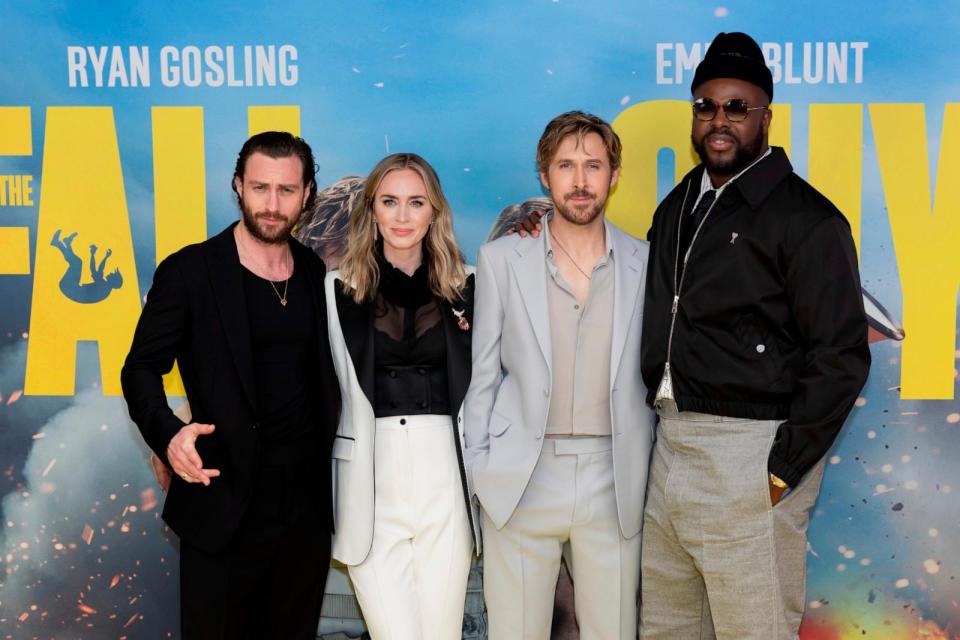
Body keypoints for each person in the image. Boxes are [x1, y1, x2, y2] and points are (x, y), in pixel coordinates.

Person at [639, 32, 871, 639]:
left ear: (766, 115)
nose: (720, 120)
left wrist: (781, 470)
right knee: (665, 629)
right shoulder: (678, 206)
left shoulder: (807, 219)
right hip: (670, 449)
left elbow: (841, 355)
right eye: (706, 106)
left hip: (751, 454)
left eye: (737, 107)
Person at [121, 131, 340, 639]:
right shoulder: (190, 271)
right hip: (222, 498)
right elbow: (139, 368)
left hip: (305, 507)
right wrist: (168, 435)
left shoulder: (312, 270)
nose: (272, 203)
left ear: (307, 194)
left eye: (286, 190)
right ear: (237, 186)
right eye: (260, 188)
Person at [464, 111, 654, 639]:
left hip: (613, 477)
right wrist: (481, 470)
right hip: (521, 473)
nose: (580, 179)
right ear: (544, 175)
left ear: (613, 175)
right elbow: (483, 376)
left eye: (593, 165)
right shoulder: (501, 259)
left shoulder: (646, 261)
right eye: (565, 165)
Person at [325, 153, 476, 639]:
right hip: (369, 481)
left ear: (435, 211)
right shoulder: (332, 290)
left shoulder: (471, 286)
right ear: (372, 211)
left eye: (417, 202)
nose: (403, 216)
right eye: (390, 202)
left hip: (447, 479)